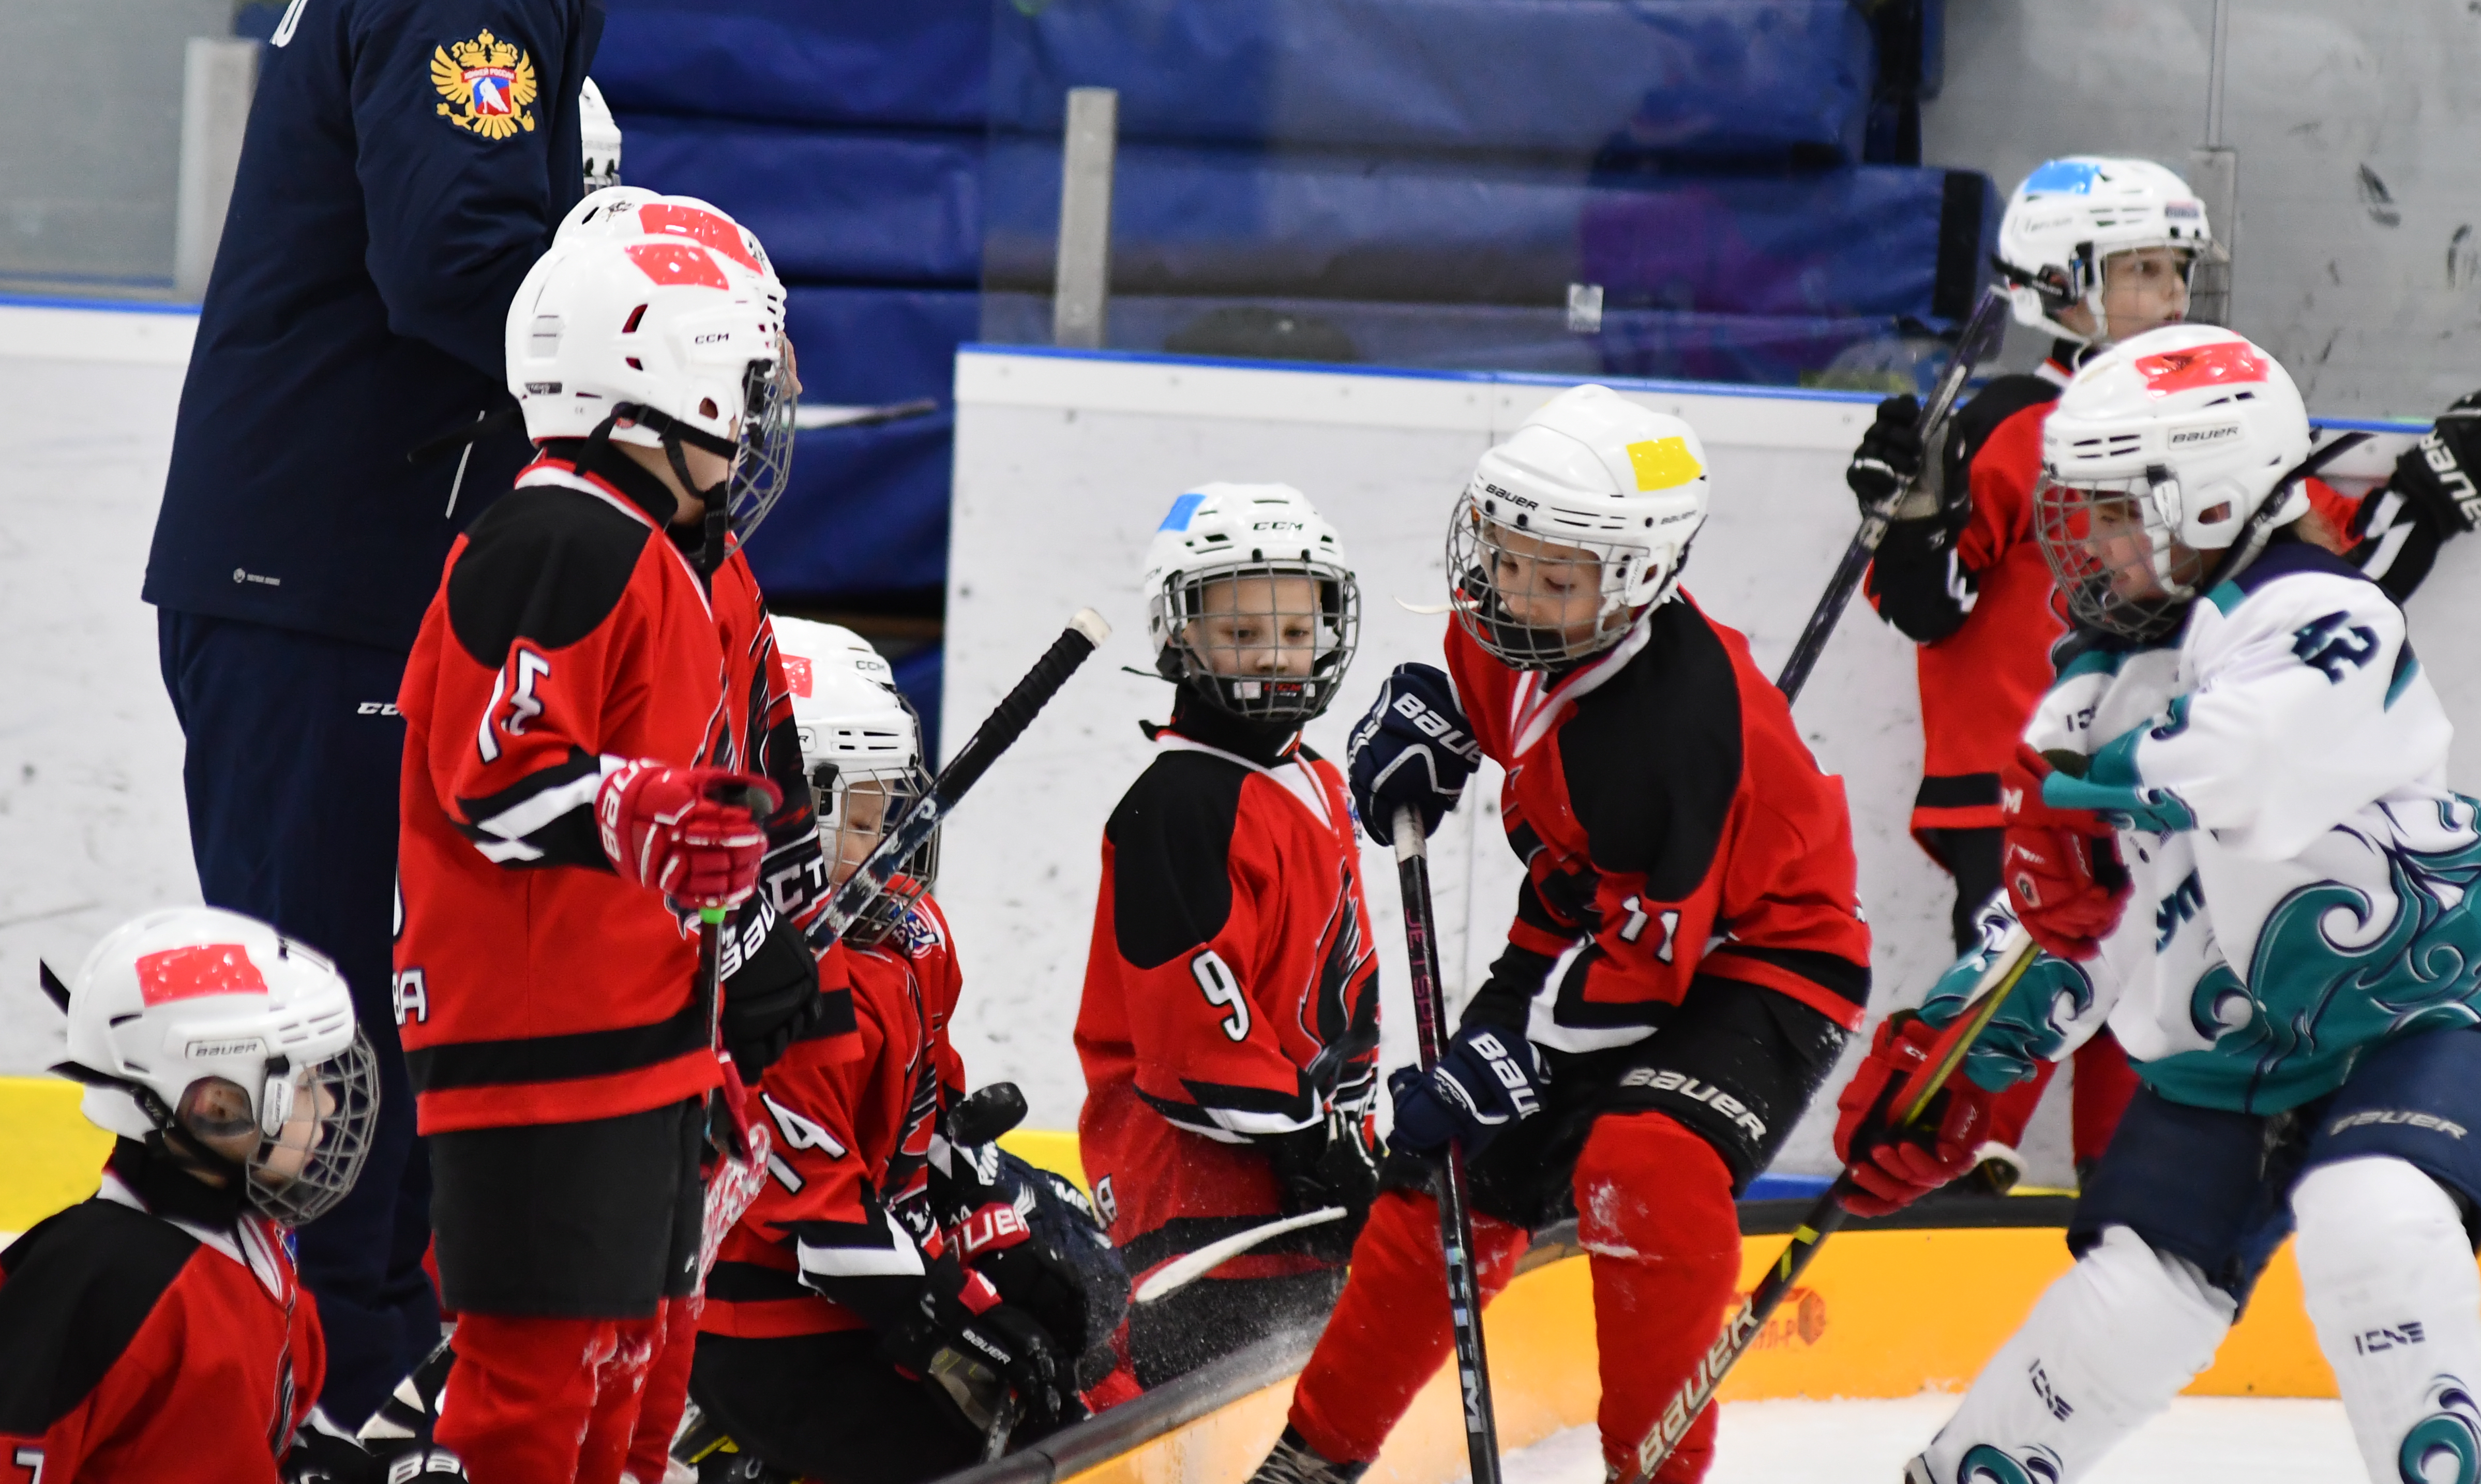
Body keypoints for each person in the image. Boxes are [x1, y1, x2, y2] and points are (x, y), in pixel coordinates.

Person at [141, 0, 740, 1422]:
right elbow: (463, 267)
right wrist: (651, 408)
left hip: (329, 563)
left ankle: (366, 1394)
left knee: (378, 1031)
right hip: (317, 574)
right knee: (325, 1036)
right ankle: (320, 1406)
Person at [1831, 326, 2481, 1484]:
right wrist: (1953, 1055)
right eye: (2083, 511)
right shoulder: (2092, 694)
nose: (2088, 544)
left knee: (2373, 1219)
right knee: (2129, 1300)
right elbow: (2065, 926)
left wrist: (2083, 797)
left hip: (2418, 1022)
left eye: (2120, 512)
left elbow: (2247, 755)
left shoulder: (2326, 610)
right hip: (2229, 1065)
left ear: (2215, 498)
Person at [1850, 155, 2481, 1182]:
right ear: (2057, 282)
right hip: (2025, 775)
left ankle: (2118, 1189)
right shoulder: (2016, 421)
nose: (2168, 296)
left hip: (2174, 781)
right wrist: (1913, 514)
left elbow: (2320, 582)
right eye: (2140, 269)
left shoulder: (2217, 425)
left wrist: (2433, 493)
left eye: (2176, 270)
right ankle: (1969, 1169)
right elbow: (1930, 607)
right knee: (2026, 979)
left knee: (2158, 996)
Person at [1249, 386, 1869, 1484]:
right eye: (1506, 554)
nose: (1514, 593)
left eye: (1556, 575)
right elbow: (1489, 712)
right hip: (1593, 928)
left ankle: (1655, 1472)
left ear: (1634, 579)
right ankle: (1313, 1456)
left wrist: (1506, 1055)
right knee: (1440, 1164)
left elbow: (1635, 988)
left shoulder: (1676, 734)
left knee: (1646, 1166)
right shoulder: (1498, 628)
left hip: (1762, 958)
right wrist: (1427, 720)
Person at [395, 222, 808, 1484]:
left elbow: (743, 798)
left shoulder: (694, 562)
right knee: (533, 1401)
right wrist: (637, 814)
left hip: (647, 1042)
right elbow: (494, 775)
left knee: (639, 1389)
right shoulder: (558, 540)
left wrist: (748, 956)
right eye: (737, 393)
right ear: (656, 381)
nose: (751, 428)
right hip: (536, 1050)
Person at [686, 618, 1124, 1484]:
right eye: (851, 813)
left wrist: (995, 1232)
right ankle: (747, 1453)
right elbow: (826, 1228)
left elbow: (930, 1131)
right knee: (961, 1454)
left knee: (1078, 1319)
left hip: (870, 1285)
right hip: (762, 1325)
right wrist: (968, 1318)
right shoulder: (760, 983)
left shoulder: (911, 938)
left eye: (887, 803)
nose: (881, 837)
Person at [0, 907, 402, 1483]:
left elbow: (262, 1429)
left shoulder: (252, 1234)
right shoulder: (99, 1282)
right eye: (306, 1084)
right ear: (216, 1107)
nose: (330, 1106)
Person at [1074, 483, 1383, 1387]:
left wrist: (1357, 1140)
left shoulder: (1317, 780)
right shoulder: (1180, 802)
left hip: (1304, 1197)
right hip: (1203, 1214)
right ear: (1180, 635)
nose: (1274, 660)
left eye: (1293, 634)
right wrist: (1312, 1144)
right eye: (1241, 634)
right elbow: (1191, 1039)